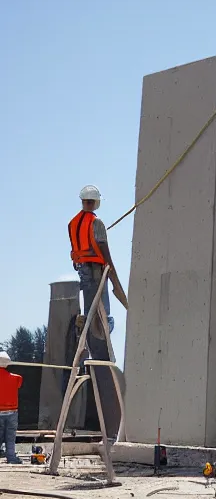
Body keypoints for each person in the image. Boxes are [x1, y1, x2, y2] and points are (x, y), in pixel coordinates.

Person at [68, 185, 127, 438]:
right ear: (96, 203)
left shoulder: (72, 223)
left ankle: (90, 334)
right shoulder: (97, 222)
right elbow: (104, 251)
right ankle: (101, 334)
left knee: (92, 313)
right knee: (105, 318)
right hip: (96, 271)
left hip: (82, 271)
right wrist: (112, 276)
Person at [0, 352, 23, 464]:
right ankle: (11, 458)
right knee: (10, 437)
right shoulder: (17, 378)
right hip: (12, 412)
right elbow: (19, 384)